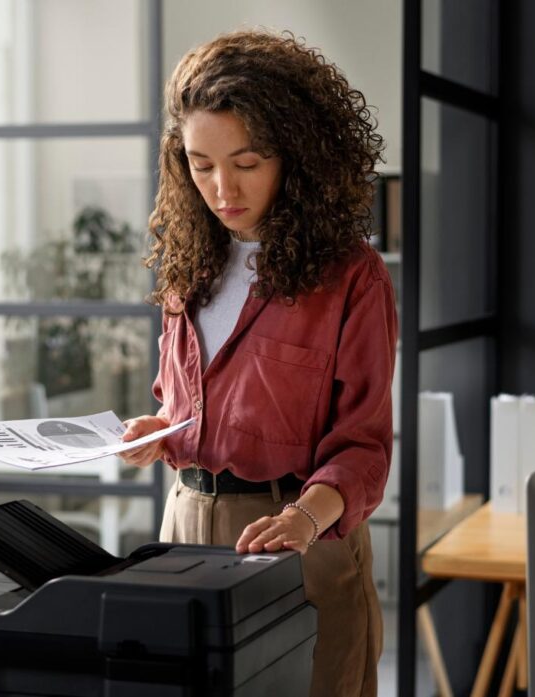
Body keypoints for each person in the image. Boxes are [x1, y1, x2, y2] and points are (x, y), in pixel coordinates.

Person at [120, 30, 396, 697]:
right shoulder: (191, 263)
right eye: (200, 164)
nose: (222, 188)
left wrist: (304, 519)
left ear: (295, 154)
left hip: (298, 541)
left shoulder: (351, 277)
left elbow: (363, 446)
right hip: (183, 532)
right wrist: (159, 431)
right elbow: (187, 402)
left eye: (246, 162)